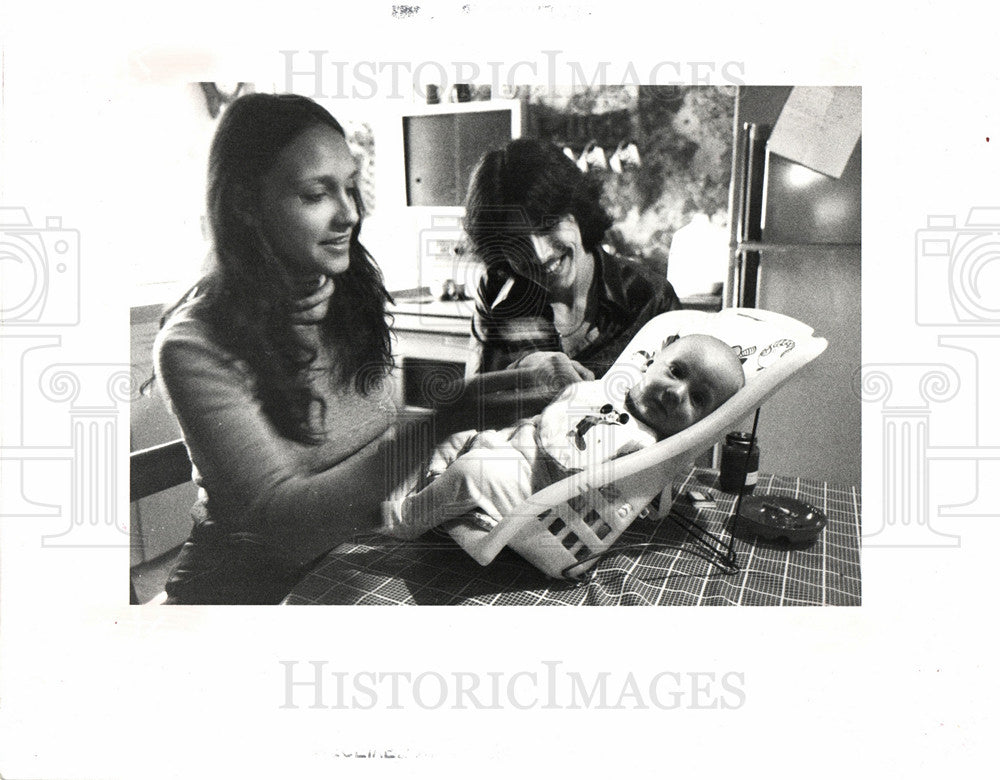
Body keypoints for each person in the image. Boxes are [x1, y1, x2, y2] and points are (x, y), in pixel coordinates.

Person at [150, 93, 430, 604]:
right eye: (315, 194)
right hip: (249, 592)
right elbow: (283, 530)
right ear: (244, 205)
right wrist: (439, 425)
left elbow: (375, 431)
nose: (349, 214)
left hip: (355, 564)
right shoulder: (192, 343)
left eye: (350, 187)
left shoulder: (346, 291)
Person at [381, 334, 745, 539]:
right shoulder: (610, 387)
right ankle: (434, 491)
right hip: (512, 444)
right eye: (676, 371)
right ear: (654, 358)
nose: (676, 393)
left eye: (698, 399)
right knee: (452, 434)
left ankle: (404, 520)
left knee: (472, 472)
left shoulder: (648, 448)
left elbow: (620, 495)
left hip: (539, 494)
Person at [464, 138, 684, 385]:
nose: (540, 254)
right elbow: (475, 410)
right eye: (516, 242)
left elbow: (690, 411)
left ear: (578, 211)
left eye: (547, 226)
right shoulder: (495, 291)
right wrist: (521, 372)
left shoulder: (651, 297)